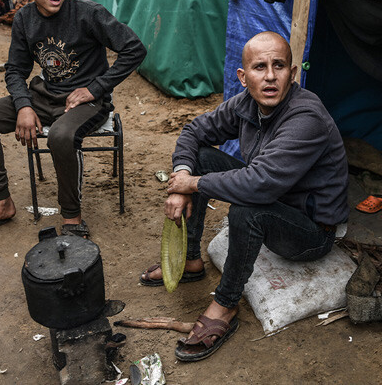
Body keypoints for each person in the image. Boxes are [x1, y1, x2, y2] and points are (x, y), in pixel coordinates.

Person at [139, 32, 349, 361]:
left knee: (245, 209)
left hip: (310, 231)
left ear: (292, 74)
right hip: (274, 204)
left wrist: (192, 186)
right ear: (243, 76)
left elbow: (260, 184)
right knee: (203, 158)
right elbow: (195, 131)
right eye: (259, 67)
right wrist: (182, 175)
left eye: (278, 66)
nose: (269, 76)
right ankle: (191, 260)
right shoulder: (246, 104)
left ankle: (225, 305)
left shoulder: (306, 118)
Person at [0, 0, 146, 244]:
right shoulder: (24, 19)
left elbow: (134, 48)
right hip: (45, 97)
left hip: (87, 104)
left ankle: (71, 216)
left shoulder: (88, 13)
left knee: (60, 135)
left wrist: (95, 88)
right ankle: (1, 202)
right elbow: (16, 70)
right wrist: (23, 106)